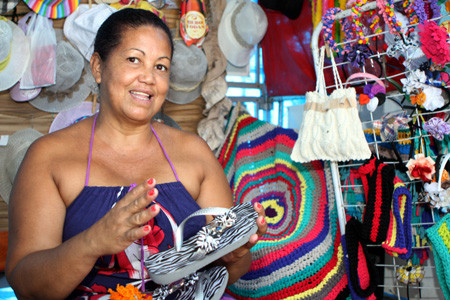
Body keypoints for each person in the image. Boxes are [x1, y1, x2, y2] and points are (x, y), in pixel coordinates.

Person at [6, 8, 267, 299]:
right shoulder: (49, 158)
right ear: (98, 67)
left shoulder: (195, 153)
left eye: (161, 67)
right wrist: (93, 241)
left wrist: (234, 255)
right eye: (134, 60)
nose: (149, 78)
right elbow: (26, 285)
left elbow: (228, 272)